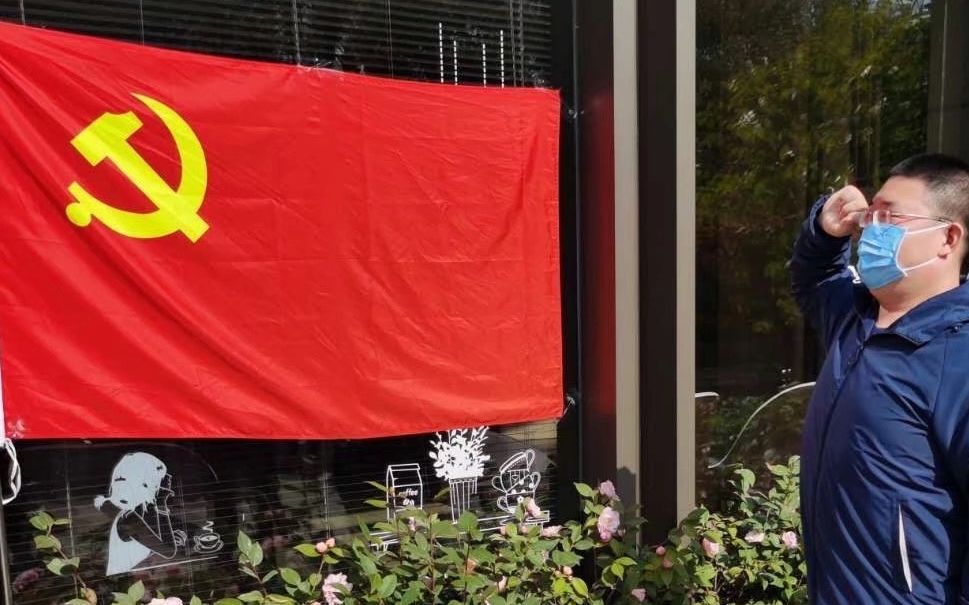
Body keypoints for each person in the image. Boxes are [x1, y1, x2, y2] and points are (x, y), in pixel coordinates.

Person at [790, 152, 969, 603]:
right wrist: (824, 232)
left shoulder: (957, 355)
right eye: (871, 216)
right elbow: (813, 280)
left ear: (948, 238)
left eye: (891, 217)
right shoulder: (856, 319)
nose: (871, 230)